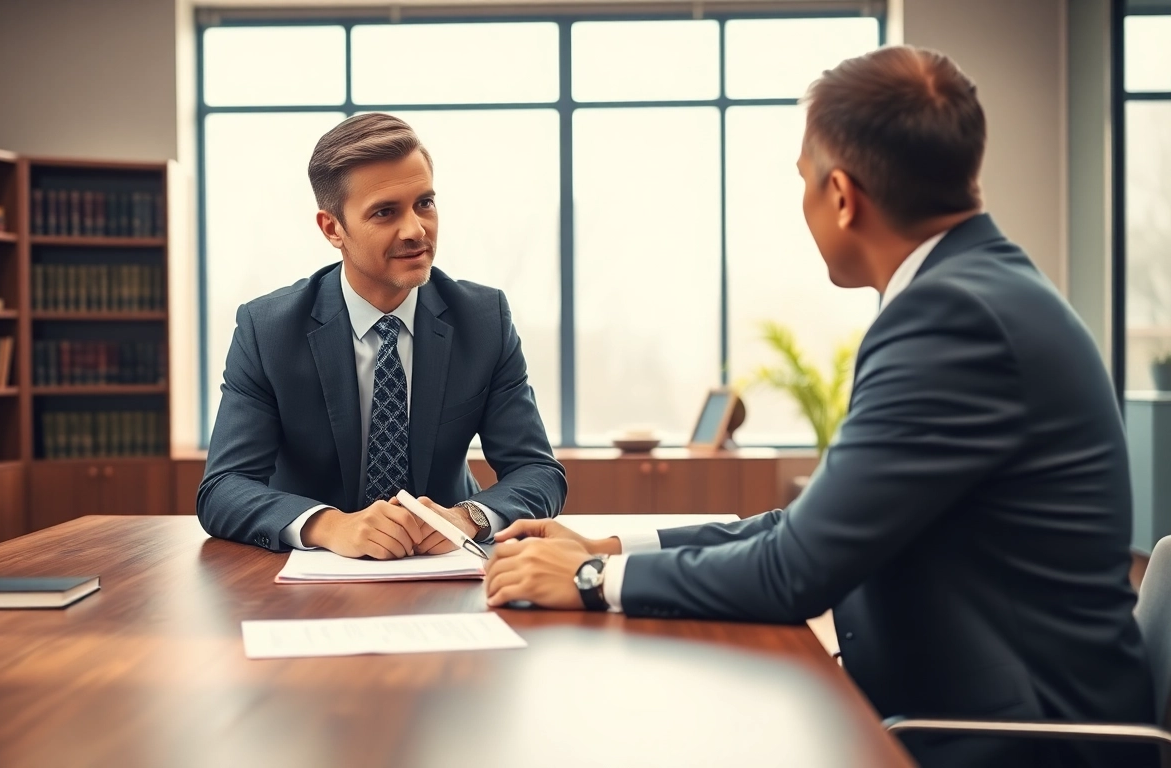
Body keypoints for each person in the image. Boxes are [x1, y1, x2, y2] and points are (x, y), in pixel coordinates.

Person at [482, 46, 1155, 767]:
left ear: (841, 194)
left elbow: (797, 571)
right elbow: (813, 530)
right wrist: (611, 550)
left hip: (1009, 740)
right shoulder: (975, 293)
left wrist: (589, 584)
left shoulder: (952, 320)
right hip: (960, 709)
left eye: (803, 182)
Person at [199, 113, 565, 560]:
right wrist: (329, 525)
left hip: (442, 568)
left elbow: (537, 471)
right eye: (385, 212)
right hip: (310, 578)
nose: (415, 230)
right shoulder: (268, 329)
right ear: (333, 228)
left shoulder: (483, 319)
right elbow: (223, 488)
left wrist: (467, 516)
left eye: (424, 203)